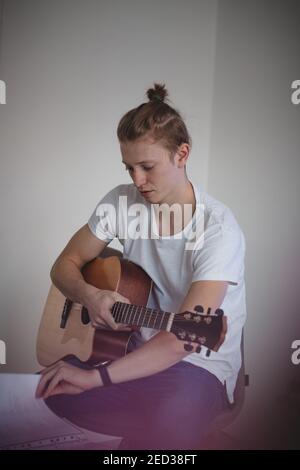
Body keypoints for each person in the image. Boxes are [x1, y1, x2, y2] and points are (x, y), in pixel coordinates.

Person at [36, 83, 246, 450]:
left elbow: (182, 340)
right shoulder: (120, 202)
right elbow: (64, 265)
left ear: (182, 154)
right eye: (129, 167)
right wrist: (89, 295)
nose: (137, 181)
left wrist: (95, 379)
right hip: (124, 354)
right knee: (39, 392)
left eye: (147, 167)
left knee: (164, 424)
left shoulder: (218, 229)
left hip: (198, 369)